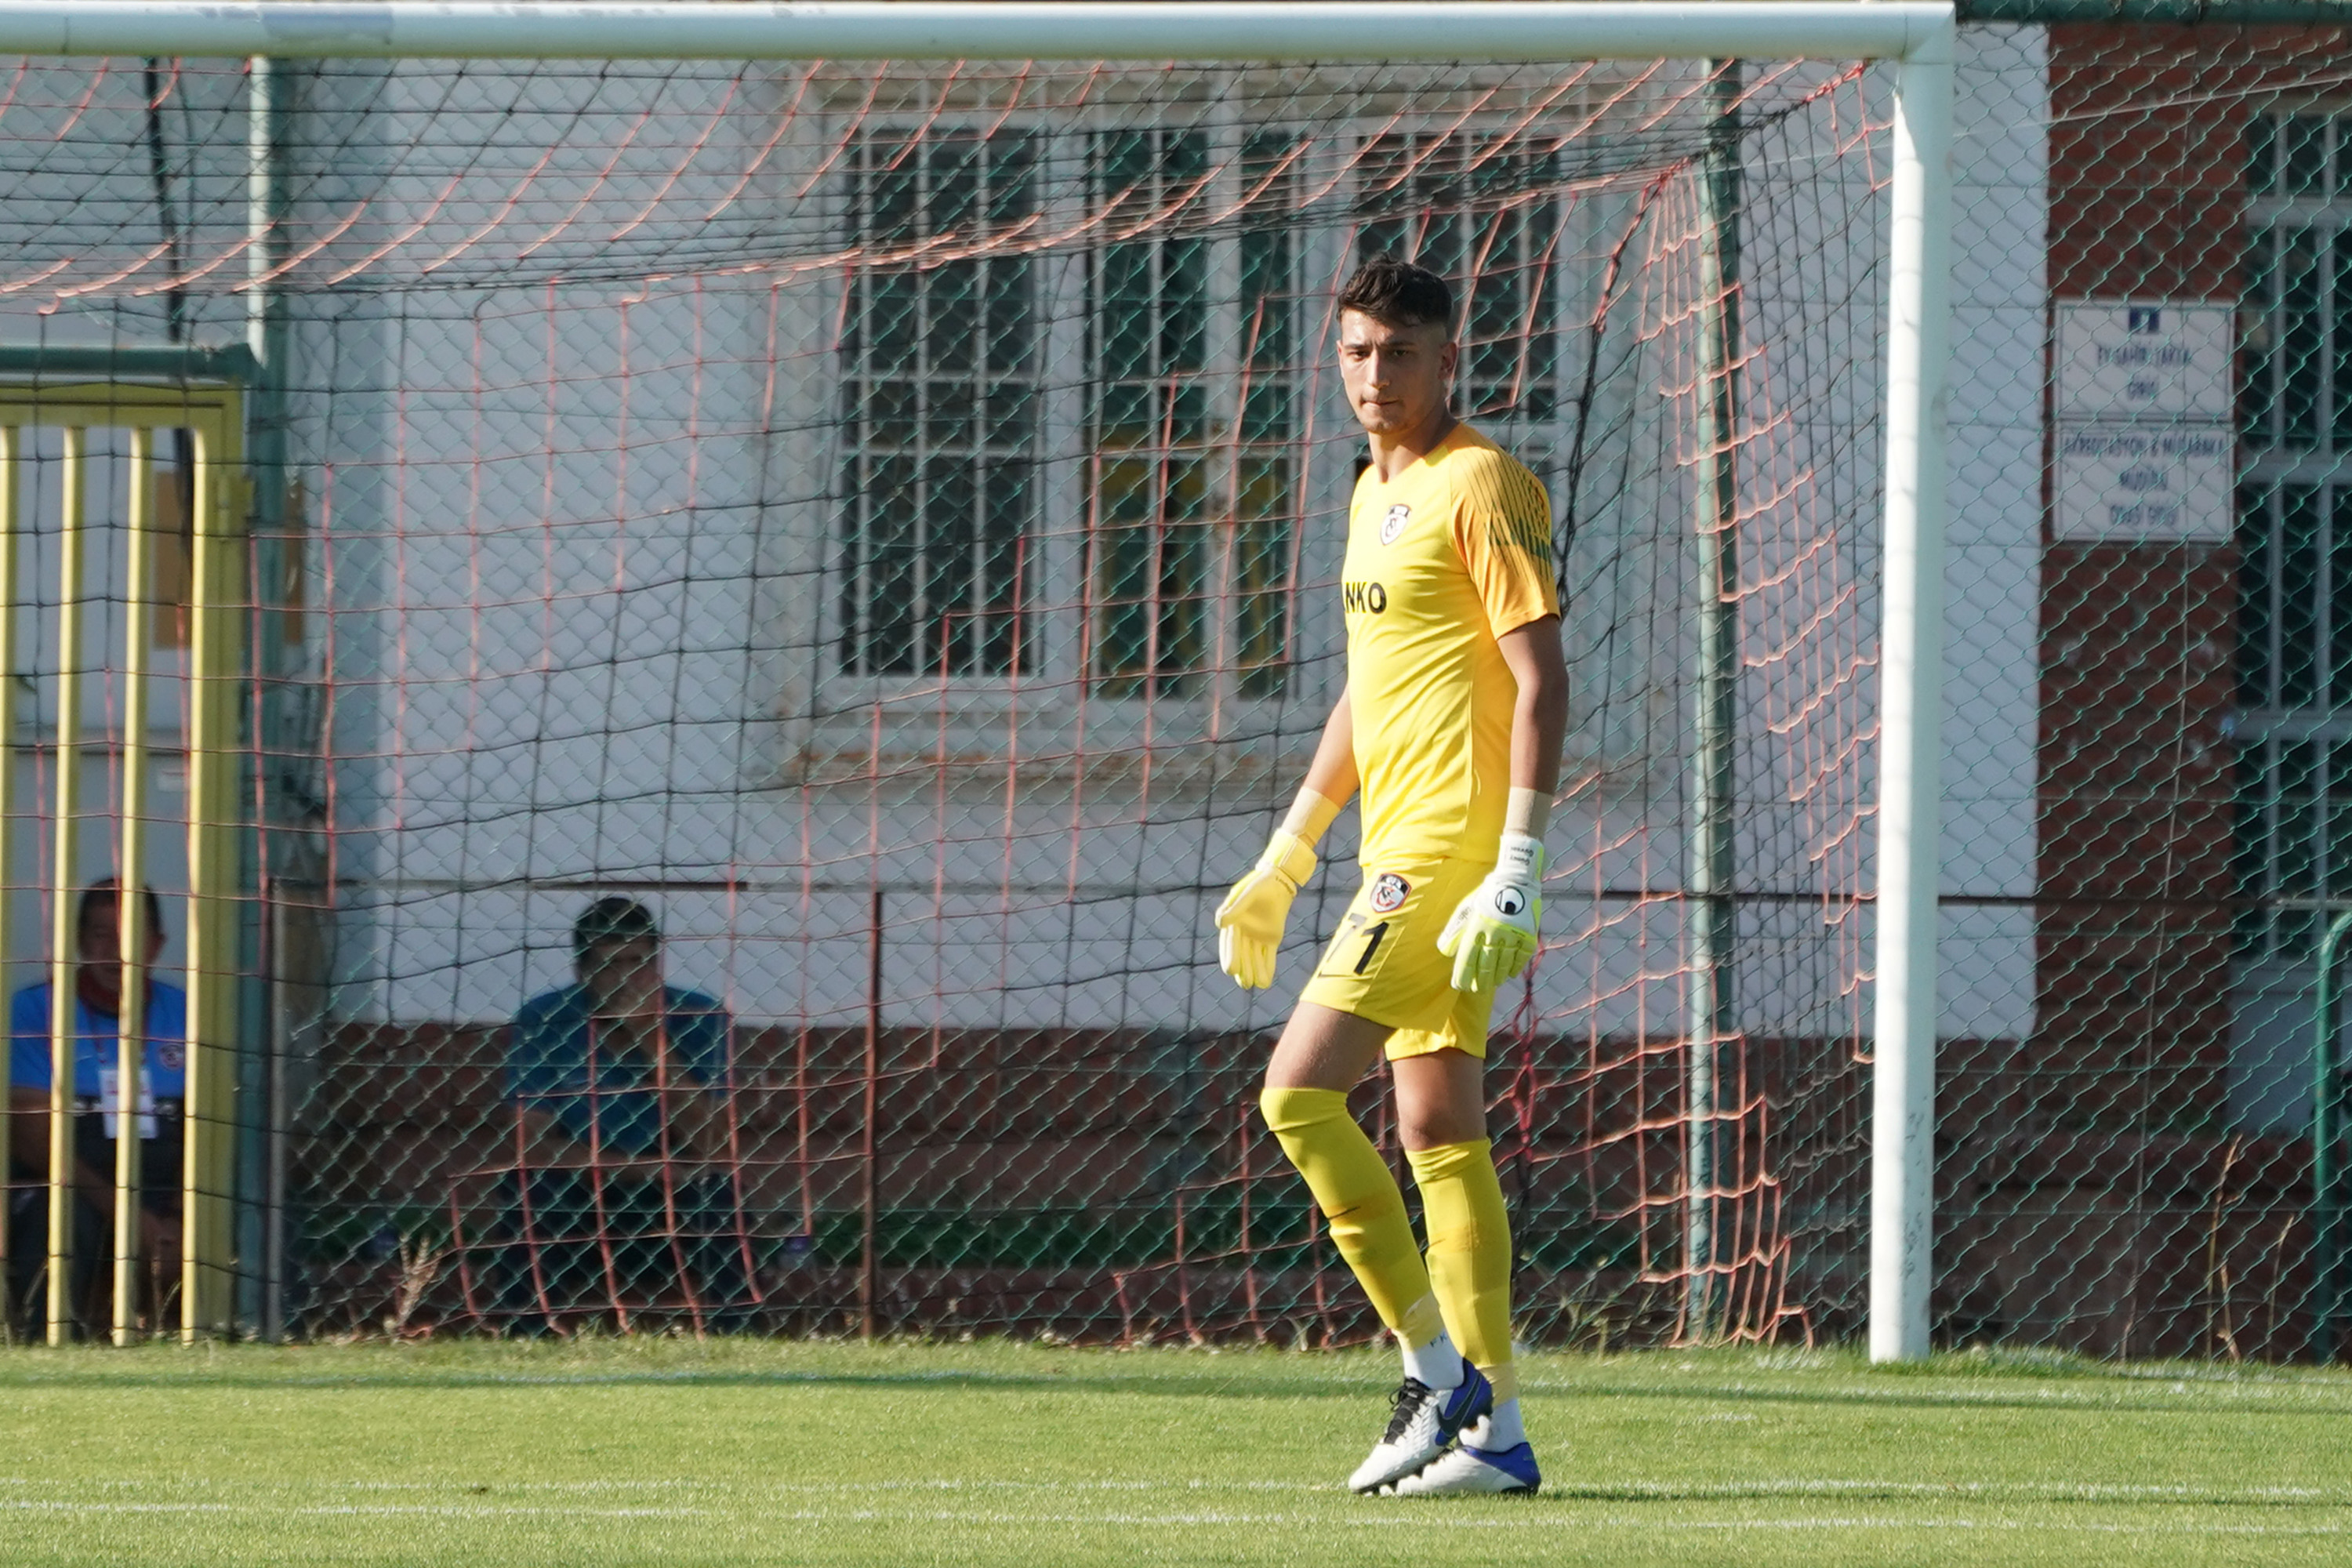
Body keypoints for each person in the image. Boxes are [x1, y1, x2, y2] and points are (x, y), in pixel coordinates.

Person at [1213, 257, 1567, 1497]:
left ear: (1445, 357)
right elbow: (1371, 692)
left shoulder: (1483, 482)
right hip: (1391, 846)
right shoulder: (1373, 490)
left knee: (1296, 1097)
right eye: (1358, 352)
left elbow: (1540, 679)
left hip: (1446, 860)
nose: (1376, 376)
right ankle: (1500, 1437)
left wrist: (1516, 864)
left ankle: (1436, 1369)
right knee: (1437, 1135)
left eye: (1400, 353)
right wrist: (1286, 854)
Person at [489, 897, 750, 1330]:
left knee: (721, 1198)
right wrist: (645, 1169)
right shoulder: (546, 1019)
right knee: (530, 1192)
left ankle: (739, 1333)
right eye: (611, 966)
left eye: (639, 963)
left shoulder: (700, 1016)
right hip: (583, 1183)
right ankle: (525, 1333)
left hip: (677, 1187)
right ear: (584, 972)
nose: (628, 979)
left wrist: (651, 1038)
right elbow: (529, 1147)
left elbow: (715, 1145)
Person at [6, 880, 187, 1337]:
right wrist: (132, 1220)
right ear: (80, 942)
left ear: (157, 944)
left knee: (233, 1215)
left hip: (164, 1184)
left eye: (130, 934)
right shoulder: (34, 1010)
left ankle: (234, 1331)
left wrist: (179, 1217)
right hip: (75, 1182)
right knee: (57, 1216)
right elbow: (33, 1140)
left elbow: (213, 1134)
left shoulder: (190, 1013)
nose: (115, 950)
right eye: (101, 934)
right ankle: (46, 1342)